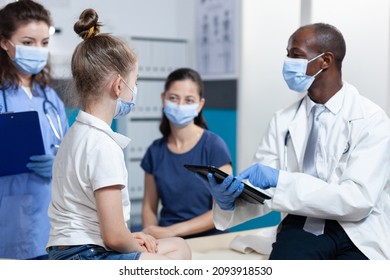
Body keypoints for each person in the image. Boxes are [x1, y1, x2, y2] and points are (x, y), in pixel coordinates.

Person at [205, 23, 390, 260]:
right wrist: (230, 201)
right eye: (287, 54)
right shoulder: (283, 120)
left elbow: (358, 200)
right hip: (301, 224)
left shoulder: (371, 119)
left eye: (296, 55)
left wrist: (282, 180)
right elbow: (264, 193)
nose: (287, 62)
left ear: (326, 61)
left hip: (358, 230)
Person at [46, 8, 191, 260]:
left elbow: (101, 223)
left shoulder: (75, 135)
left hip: (68, 250)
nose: (134, 90)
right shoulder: (103, 145)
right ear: (117, 86)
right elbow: (113, 237)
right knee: (171, 259)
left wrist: (130, 237)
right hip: (86, 256)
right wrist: (137, 248)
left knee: (179, 245)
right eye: (134, 83)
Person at [0, 0, 69, 260]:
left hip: (51, 221)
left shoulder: (50, 97)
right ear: (5, 42)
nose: (38, 50)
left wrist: (59, 163)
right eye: (28, 43)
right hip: (8, 220)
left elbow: (69, 150)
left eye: (44, 43)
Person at [141, 68, 232, 239]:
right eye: (174, 98)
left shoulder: (214, 147)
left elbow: (223, 211)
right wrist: (150, 235)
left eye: (189, 100)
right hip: (167, 241)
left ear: (200, 105)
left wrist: (173, 231)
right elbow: (149, 207)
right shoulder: (155, 151)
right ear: (163, 99)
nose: (180, 105)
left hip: (209, 241)